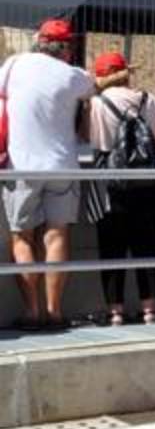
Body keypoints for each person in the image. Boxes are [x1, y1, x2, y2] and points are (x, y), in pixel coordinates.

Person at [0, 19, 95, 331]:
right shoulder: (73, 76)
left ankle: (31, 312)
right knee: (56, 236)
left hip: (22, 165)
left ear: (39, 41)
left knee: (21, 237)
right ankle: (55, 313)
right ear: (66, 48)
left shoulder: (14, 65)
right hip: (62, 165)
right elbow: (94, 87)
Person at [87, 51, 155, 325]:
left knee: (111, 247)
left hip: (110, 184)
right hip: (148, 182)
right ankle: (149, 309)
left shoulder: (96, 103)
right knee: (146, 245)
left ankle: (116, 312)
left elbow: (85, 138)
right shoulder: (150, 100)